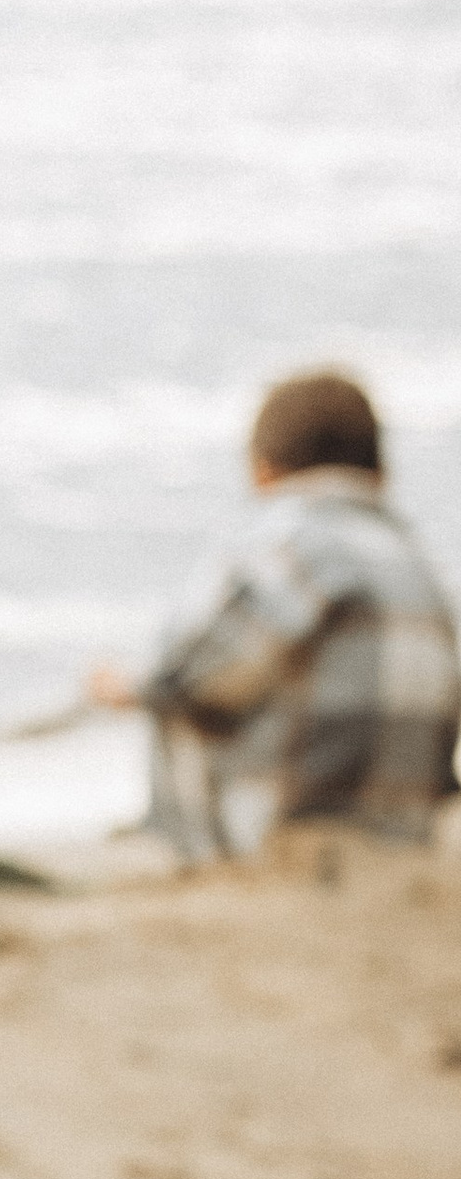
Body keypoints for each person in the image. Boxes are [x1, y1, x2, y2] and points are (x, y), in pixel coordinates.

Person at [91, 367, 459, 864]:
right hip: (405, 842)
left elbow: (192, 679)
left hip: (283, 840)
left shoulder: (287, 542)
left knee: (177, 708)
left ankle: (182, 851)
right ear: (380, 475)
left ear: (262, 473)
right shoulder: (423, 570)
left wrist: (126, 687)